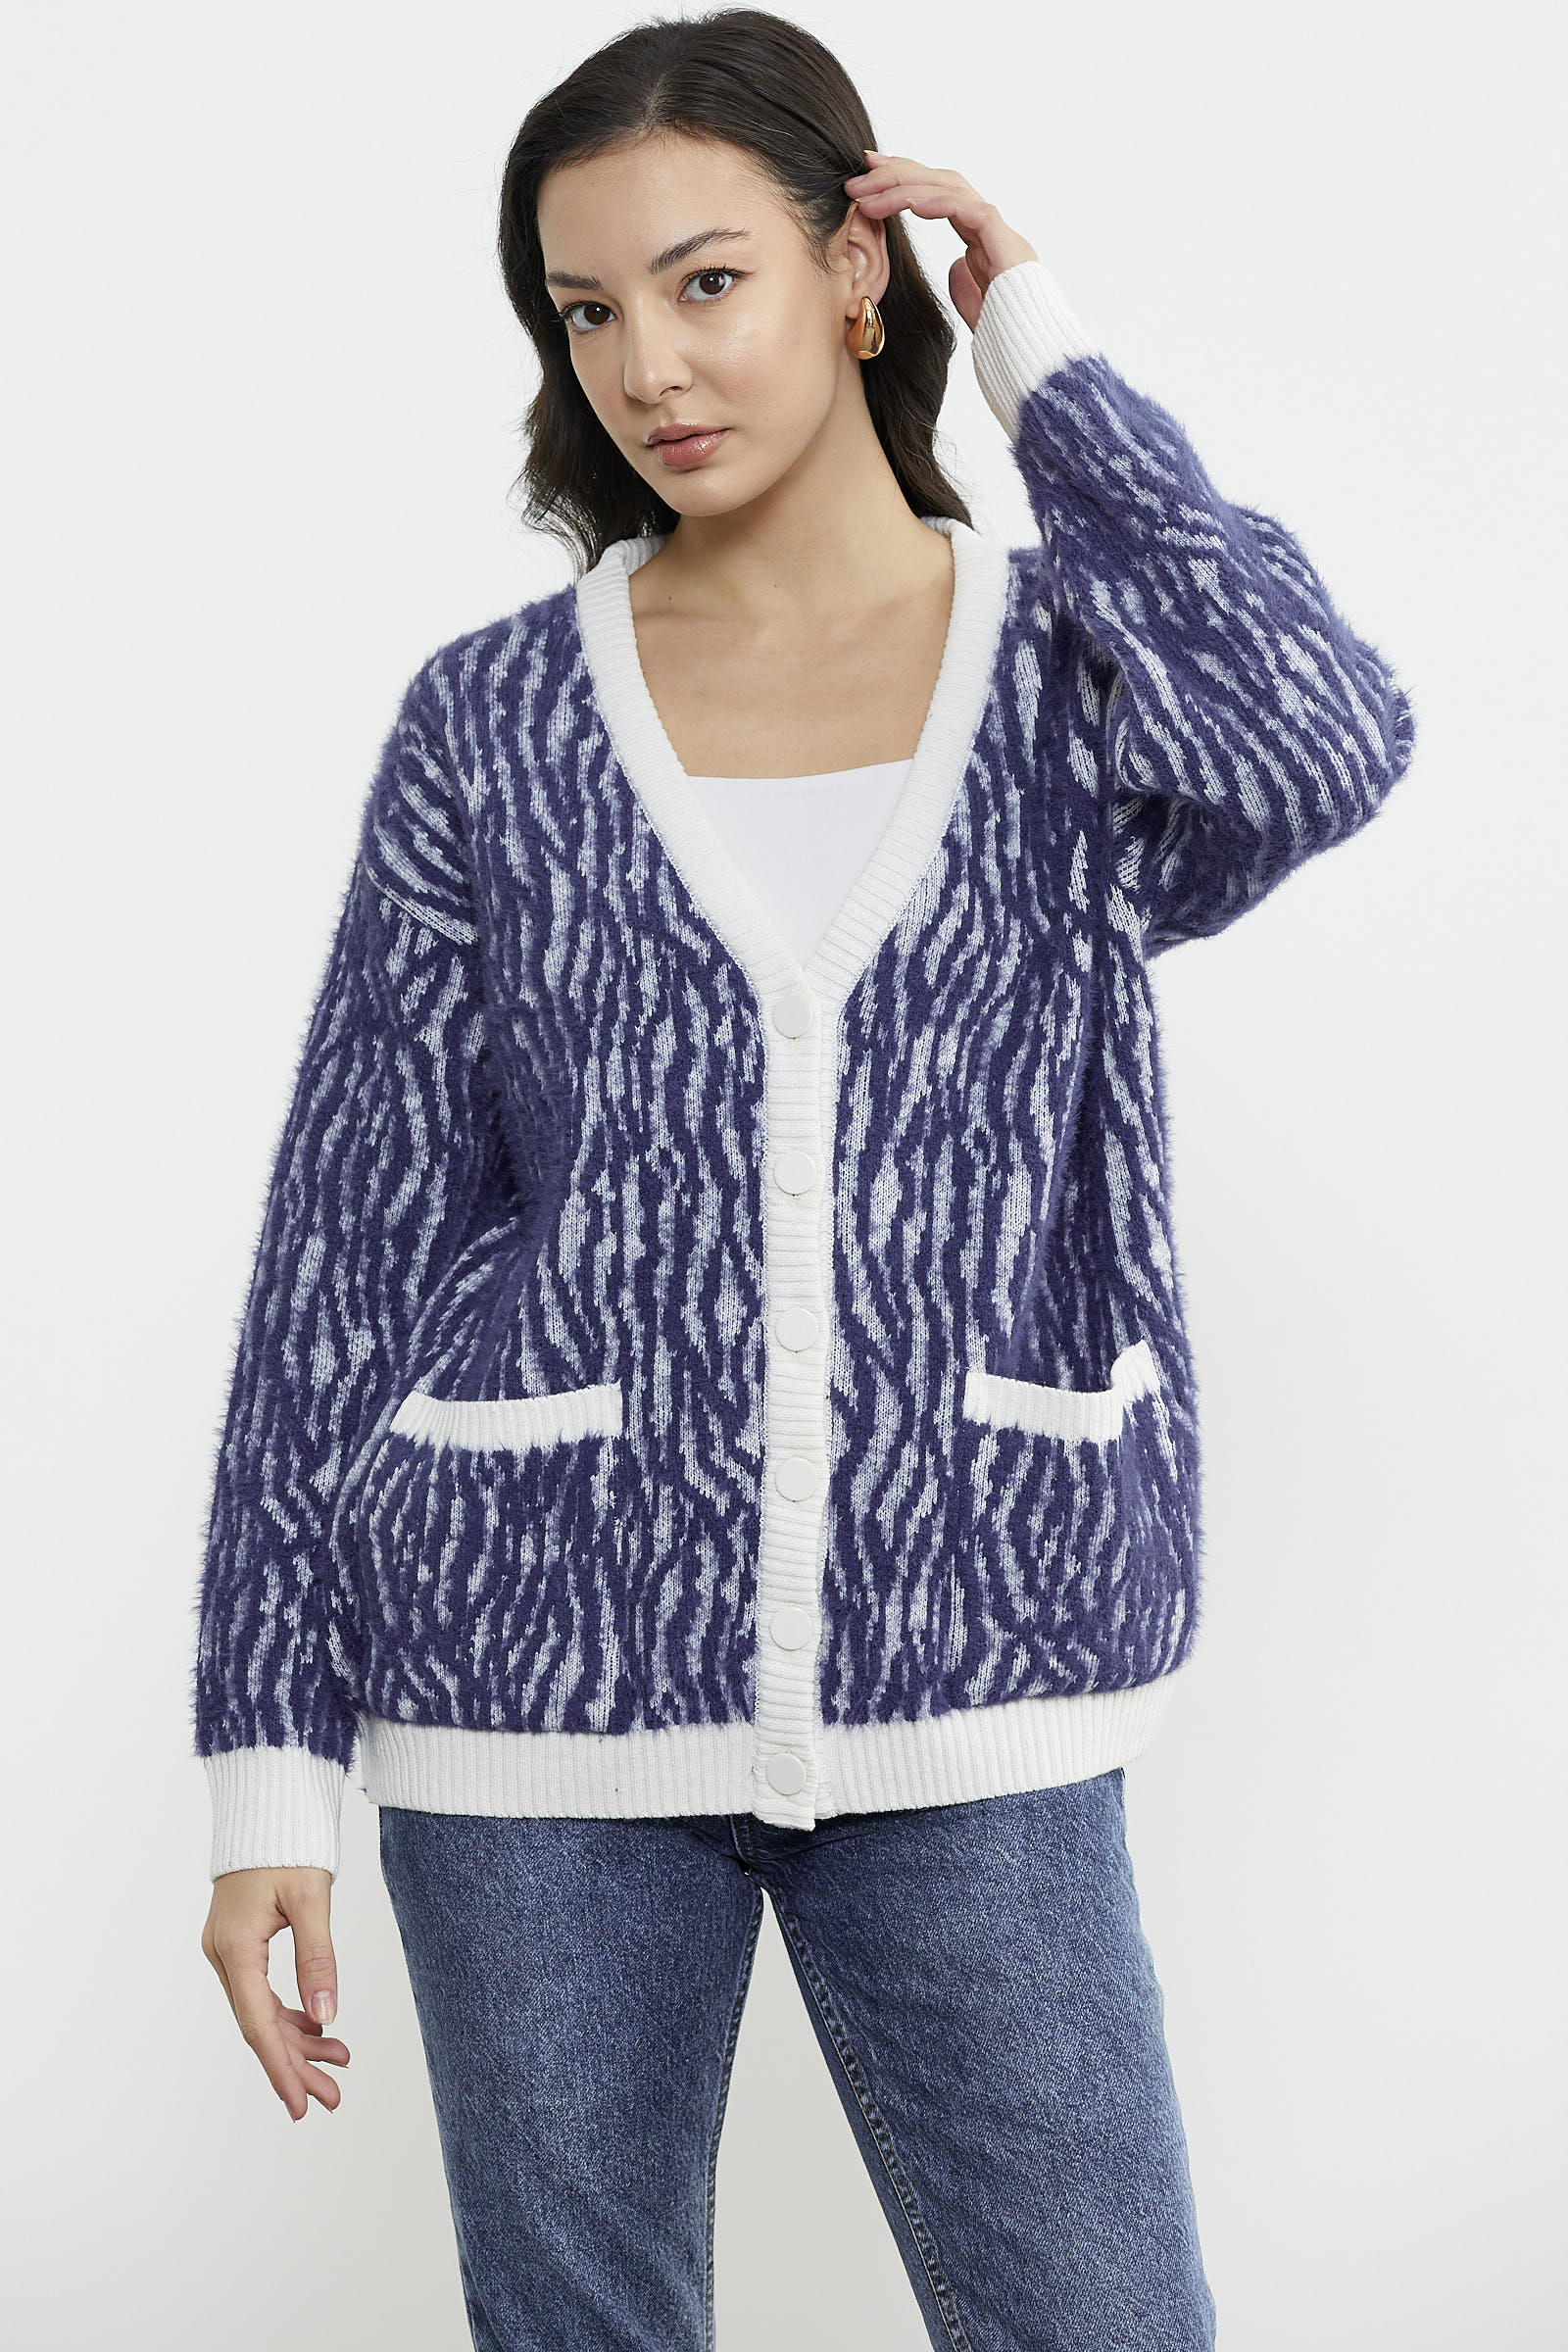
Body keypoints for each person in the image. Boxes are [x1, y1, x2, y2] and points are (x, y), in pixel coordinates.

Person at [193, 10, 1414, 2346]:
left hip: (978, 1660)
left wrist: (1042, 356)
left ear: (857, 269)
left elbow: (1315, 737)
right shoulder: (491, 722)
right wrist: (268, 1776)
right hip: (524, 1690)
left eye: (704, 281)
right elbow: (348, 1244)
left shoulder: (1063, 680)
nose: (644, 365)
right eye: (585, 310)